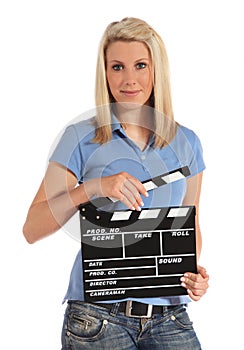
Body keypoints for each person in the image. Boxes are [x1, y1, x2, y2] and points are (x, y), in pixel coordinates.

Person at [23, 17, 209, 350]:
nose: (129, 79)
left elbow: (190, 221)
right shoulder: (81, 138)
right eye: (117, 67)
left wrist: (192, 275)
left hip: (170, 315)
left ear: (157, 70)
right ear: (105, 73)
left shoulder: (187, 143)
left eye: (140, 65)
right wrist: (92, 189)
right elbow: (32, 228)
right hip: (97, 316)